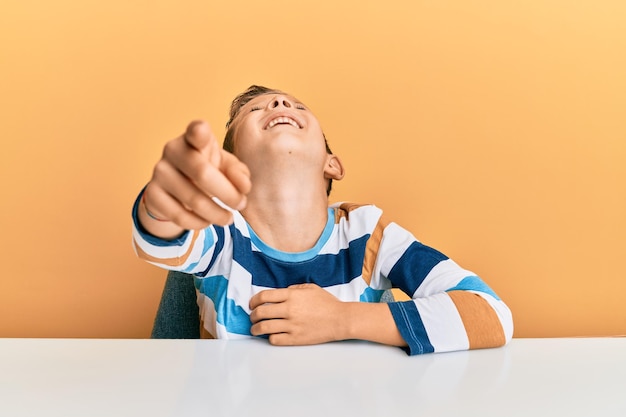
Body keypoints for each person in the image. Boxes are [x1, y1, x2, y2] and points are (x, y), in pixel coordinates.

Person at [132, 85, 513, 355]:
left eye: (298, 107)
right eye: (255, 111)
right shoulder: (220, 237)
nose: (281, 103)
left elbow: (490, 314)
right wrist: (163, 202)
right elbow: (162, 236)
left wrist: (342, 320)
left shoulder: (367, 234)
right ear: (230, 168)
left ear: (333, 164)